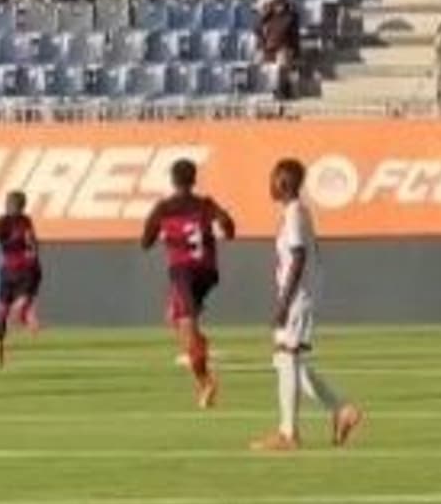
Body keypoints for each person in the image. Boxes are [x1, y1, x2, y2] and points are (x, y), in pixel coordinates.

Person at [252, 159, 364, 451]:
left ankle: (289, 434)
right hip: (301, 294)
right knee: (287, 361)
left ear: (283, 183)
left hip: (298, 296)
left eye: (273, 179)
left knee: (286, 356)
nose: (270, 184)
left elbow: (299, 256)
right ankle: (342, 410)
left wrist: (284, 302)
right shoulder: (297, 212)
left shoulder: (293, 214)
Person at [141, 160, 235, 409]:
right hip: (208, 271)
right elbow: (228, 224)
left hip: (183, 272)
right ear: (194, 180)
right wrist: (225, 227)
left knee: (186, 326)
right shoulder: (206, 204)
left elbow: (145, 241)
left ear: (172, 180)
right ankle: (199, 347)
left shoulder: (164, 207)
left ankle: (205, 381)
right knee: (174, 315)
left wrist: (158, 231)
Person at [0, 191, 42, 368]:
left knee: (15, 305)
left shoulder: (21, 221)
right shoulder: (11, 221)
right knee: (1, 311)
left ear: (18, 205)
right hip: (10, 272)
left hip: (24, 270)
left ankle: (24, 313)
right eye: (9, 203)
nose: (9, 206)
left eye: (12, 203)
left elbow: (32, 244)